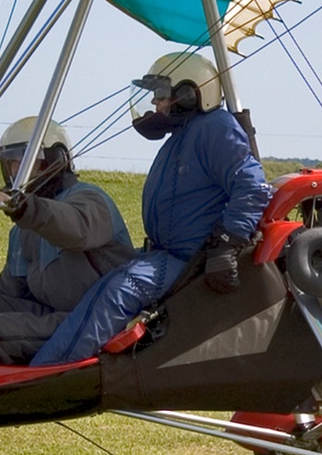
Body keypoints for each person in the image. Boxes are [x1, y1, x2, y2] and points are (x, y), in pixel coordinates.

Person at [28, 52, 271, 367]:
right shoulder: (182, 136)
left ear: (188, 93)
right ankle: (44, 362)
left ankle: (51, 372)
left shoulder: (215, 127)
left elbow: (252, 185)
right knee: (105, 287)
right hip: (166, 255)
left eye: (161, 95)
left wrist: (227, 245)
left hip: (189, 259)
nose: (155, 104)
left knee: (116, 292)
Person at [0, 117, 135, 365]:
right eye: (11, 163)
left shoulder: (89, 199)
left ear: (54, 160)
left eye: (25, 160)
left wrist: (27, 210)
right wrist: (27, 213)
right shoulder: (25, 228)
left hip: (91, 317)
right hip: (47, 312)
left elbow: (73, 227)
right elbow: (11, 295)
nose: (15, 171)